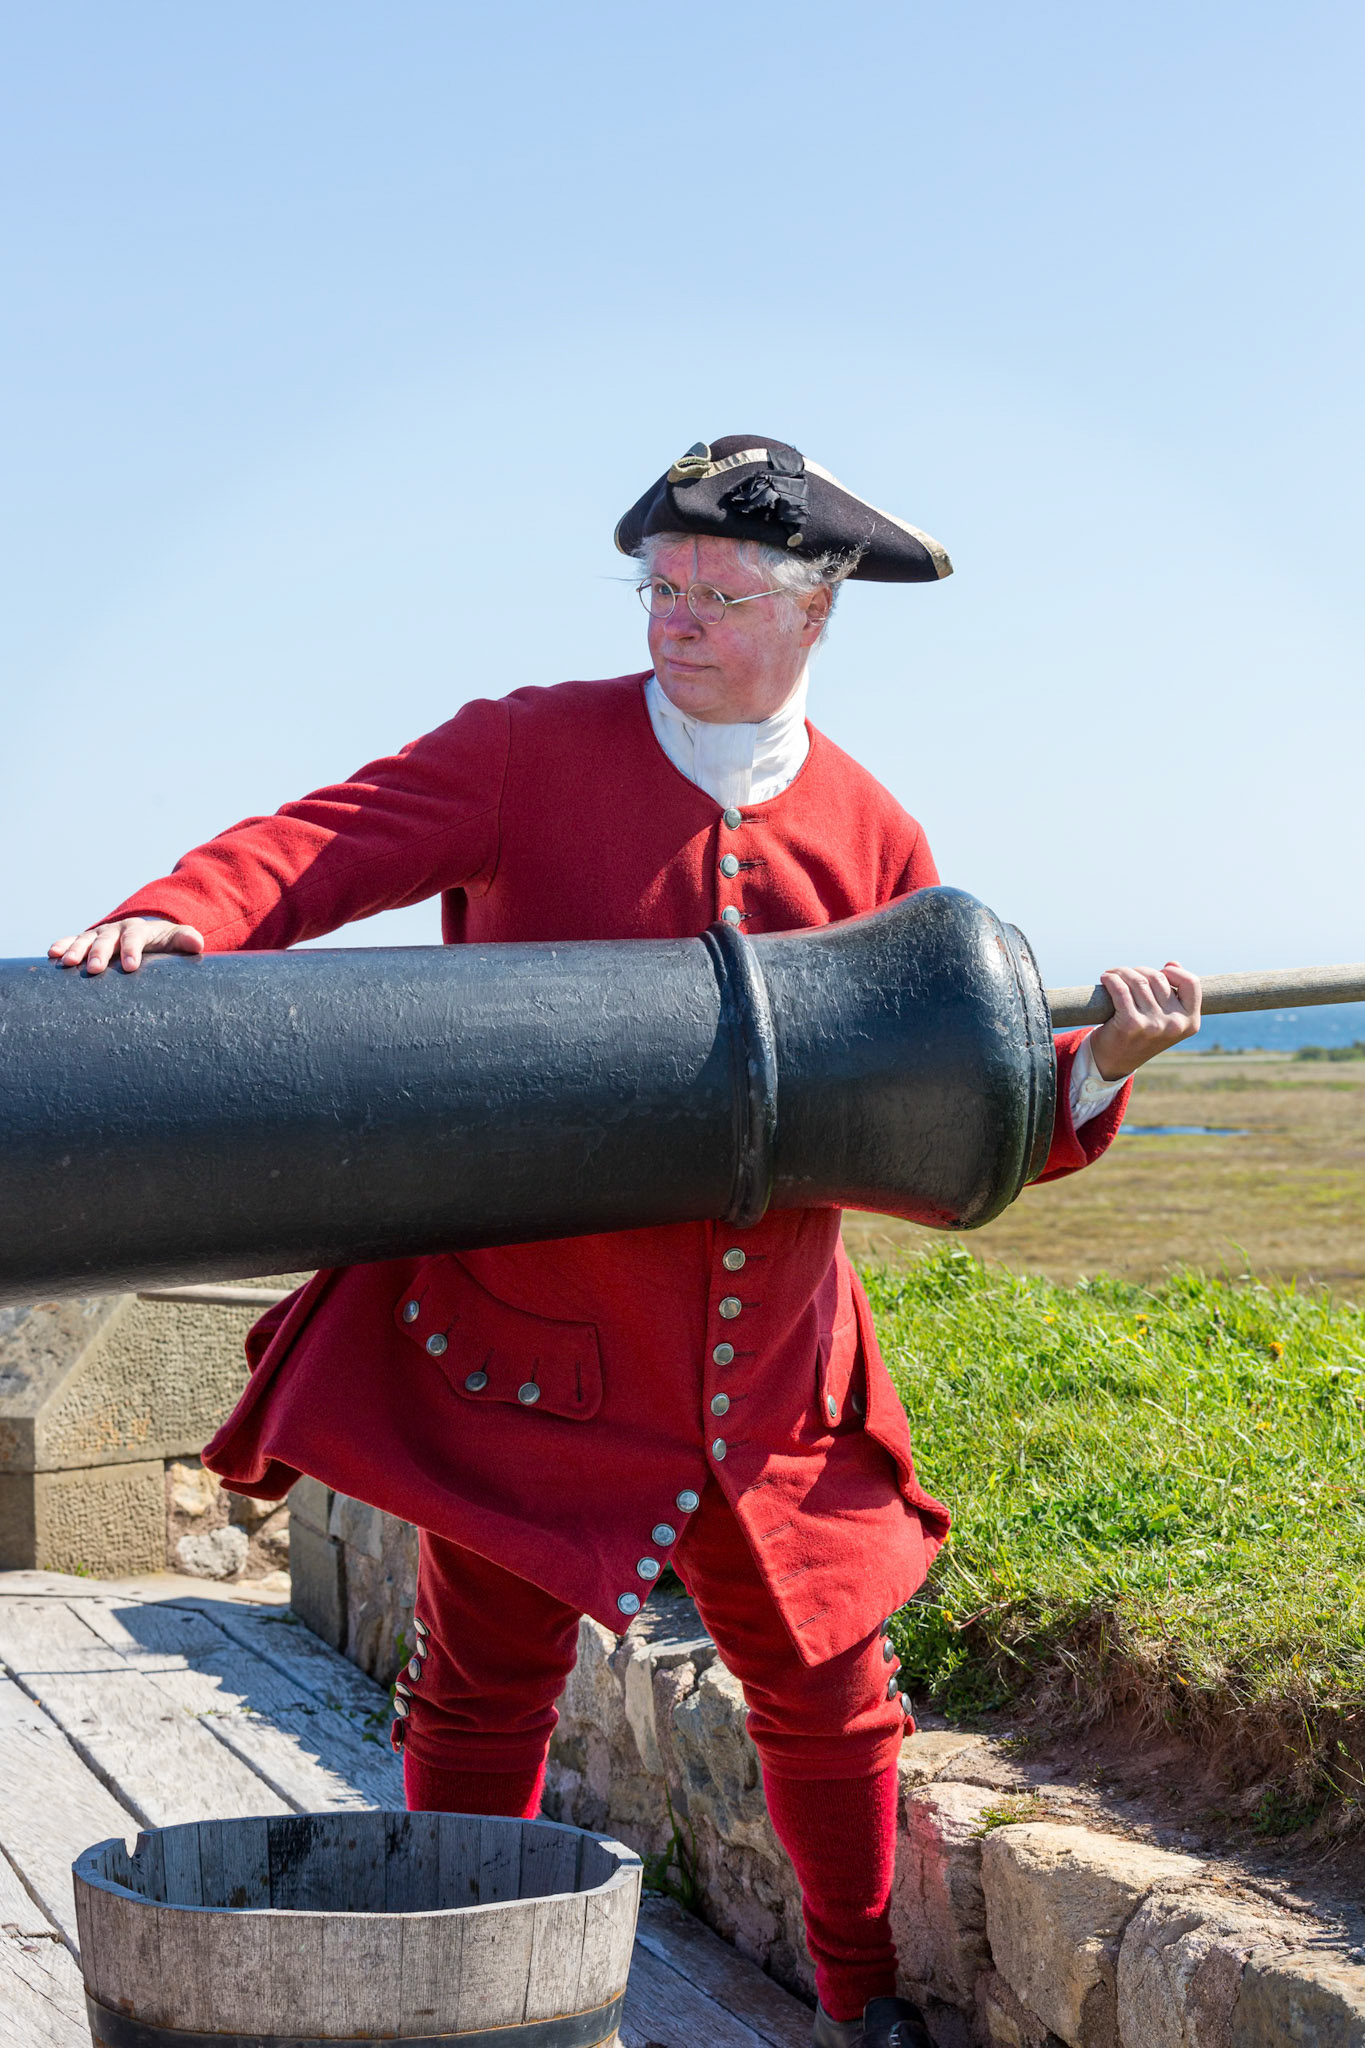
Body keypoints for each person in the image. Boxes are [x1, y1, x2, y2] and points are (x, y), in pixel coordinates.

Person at [52, 436, 1200, 2048]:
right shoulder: (531, 750)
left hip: (772, 1364)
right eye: (657, 586)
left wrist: (1093, 1073)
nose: (674, 616)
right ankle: (450, 1992)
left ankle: (860, 2003)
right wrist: (191, 912)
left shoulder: (875, 831)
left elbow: (937, 1097)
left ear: (815, 610)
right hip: (534, 1333)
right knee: (480, 1685)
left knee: (830, 1696)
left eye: (718, 593)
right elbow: (331, 837)